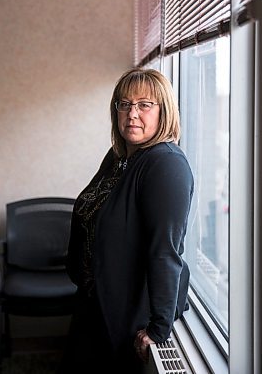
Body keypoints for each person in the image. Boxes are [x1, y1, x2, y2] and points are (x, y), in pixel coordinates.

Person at [59, 67, 194, 374]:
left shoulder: (166, 165)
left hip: (125, 316)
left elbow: (165, 250)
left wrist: (158, 329)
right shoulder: (119, 157)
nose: (133, 113)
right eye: (124, 104)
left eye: (145, 104)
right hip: (94, 302)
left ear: (164, 111)